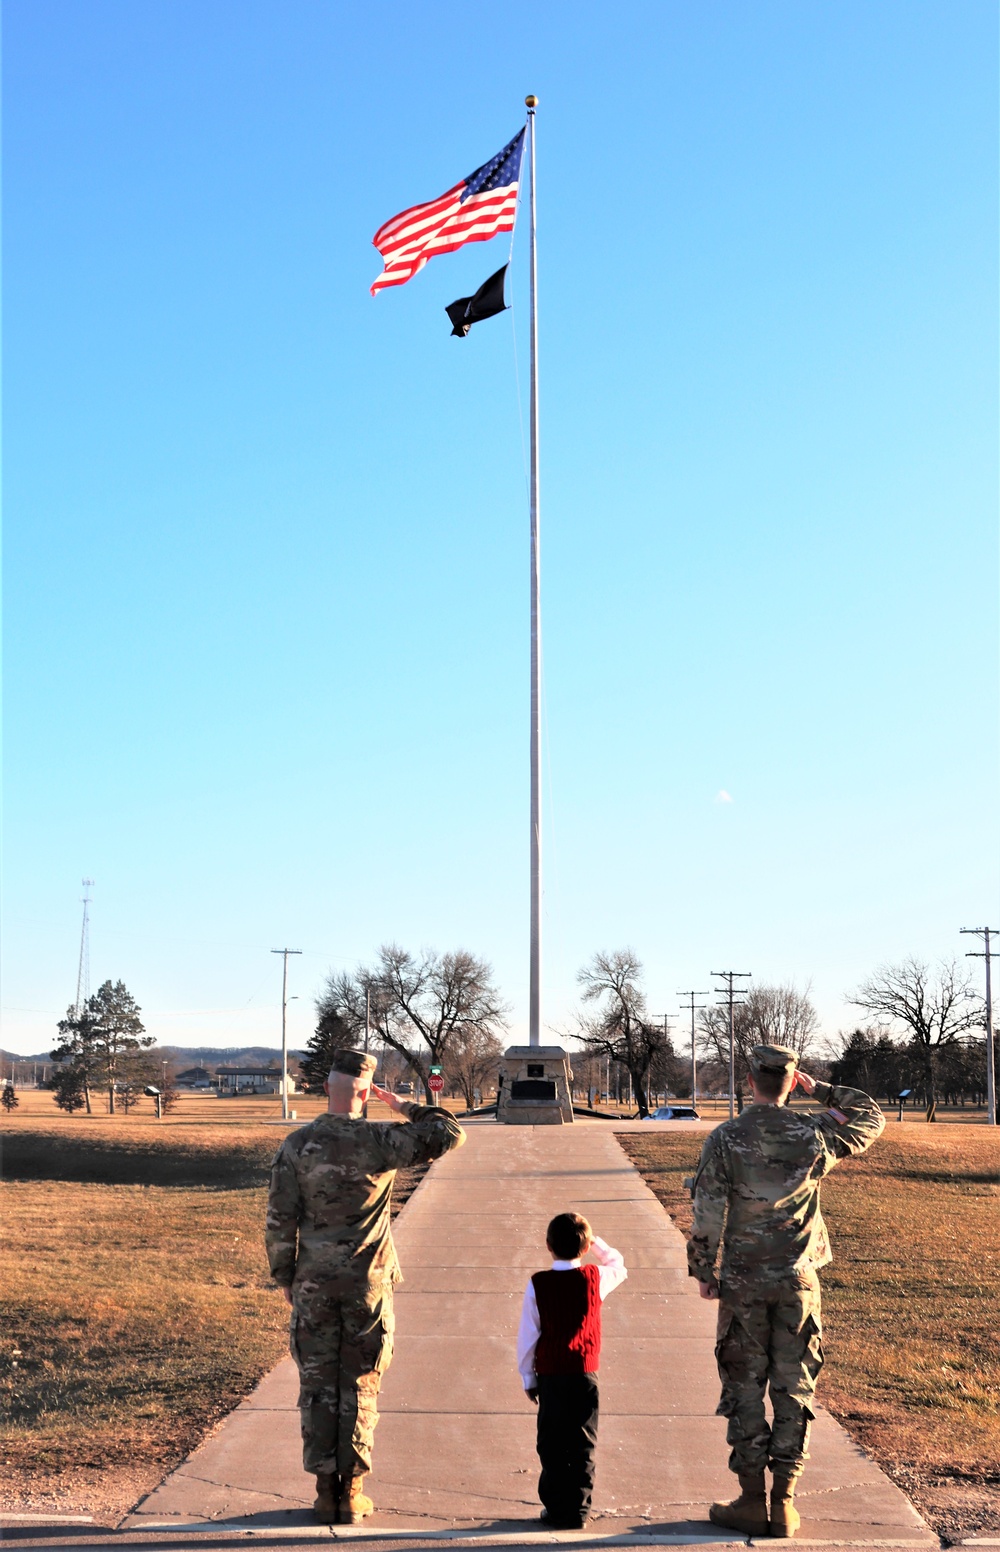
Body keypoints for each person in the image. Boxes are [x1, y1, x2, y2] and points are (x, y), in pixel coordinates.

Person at [688, 1044, 884, 1538]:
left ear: (750, 1078)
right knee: (794, 1386)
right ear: (791, 1081)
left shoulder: (727, 1138)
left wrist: (702, 1269)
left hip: (744, 1282)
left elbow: (708, 1208)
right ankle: (785, 1502)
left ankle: (752, 1499)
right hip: (799, 1281)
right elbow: (869, 1116)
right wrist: (819, 1089)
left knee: (744, 1386)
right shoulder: (814, 1133)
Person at [266, 1049, 466, 1525]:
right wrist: (403, 1106)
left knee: (317, 1385)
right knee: (360, 1384)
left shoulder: (297, 1145)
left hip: (314, 1281)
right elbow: (449, 1132)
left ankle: (322, 1492)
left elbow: (279, 1220)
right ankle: (352, 1493)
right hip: (369, 1284)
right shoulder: (382, 1140)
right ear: (365, 1093)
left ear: (325, 1089)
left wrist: (285, 1276)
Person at [517, 1212, 627, 1529]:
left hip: (550, 1374)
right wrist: (597, 1244)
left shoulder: (539, 1284)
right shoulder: (595, 1279)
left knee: (550, 1443)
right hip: (584, 1374)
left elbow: (529, 1335)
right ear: (585, 1246)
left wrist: (528, 1376)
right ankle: (578, 1509)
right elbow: (618, 1264)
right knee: (582, 1443)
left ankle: (555, 1507)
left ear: (548, 1245)